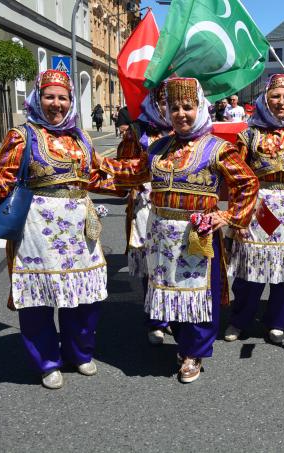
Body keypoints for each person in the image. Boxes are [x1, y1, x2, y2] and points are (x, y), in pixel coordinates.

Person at [0, 69, 130, 389]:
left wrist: (137, 177)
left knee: (84, 296)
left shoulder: (80, 136)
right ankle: (46, 361)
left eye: (63, 98)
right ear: (38, 98)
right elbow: (0, 182)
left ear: (71, 102)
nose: (56, 103)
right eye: (49, 96)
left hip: (80, 227)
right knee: (39, 300)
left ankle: (79, 353)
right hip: (37, 229)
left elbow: (96, 175)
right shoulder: (21, 136)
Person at [114, 77, 259, 382]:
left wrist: (230, 216)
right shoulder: (158, 147)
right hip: (161, 234)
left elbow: (247, 182)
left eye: (188, 107)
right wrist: (84, 169)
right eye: (174, 107)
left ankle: (194, 353)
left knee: (199, 294)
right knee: (172, 293)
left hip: (197, 234)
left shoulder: (217, 148)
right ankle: (183, 342)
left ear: (201, 107)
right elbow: (130, 173)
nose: (181, 113)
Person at [225, 74, 284, 344]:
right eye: (275, 96)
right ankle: (239, 319)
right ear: (265, 99)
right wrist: (236, 217)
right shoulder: (248, 134)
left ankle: (277, 322)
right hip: (256, 207)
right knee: (250, 269)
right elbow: (237, 179)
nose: (281, 102)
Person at [115, 85, 174, 345]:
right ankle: (155, 320)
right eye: (163, 101)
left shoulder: (188, 130)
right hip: (146, 205)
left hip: (177, 207)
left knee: (174, 262)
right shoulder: (138, 132)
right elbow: (123, 168)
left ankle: (173, 314)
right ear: (153, 102)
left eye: (172, 101)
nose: (167, 107)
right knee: (152, 266)